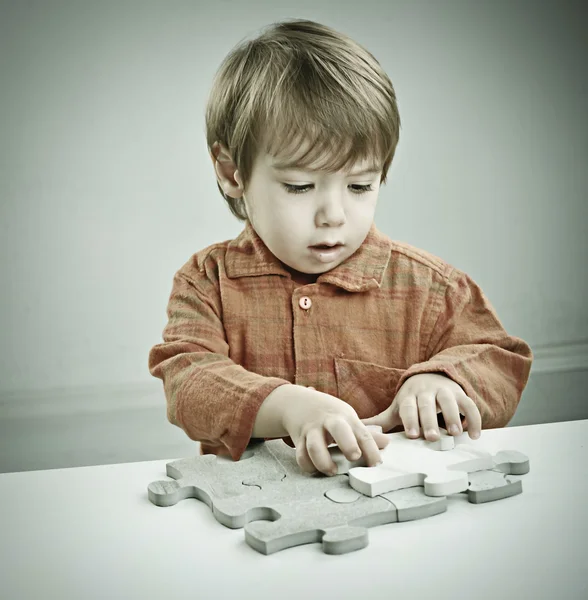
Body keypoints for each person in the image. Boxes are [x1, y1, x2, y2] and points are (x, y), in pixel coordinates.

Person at [148, 19, 533, 476]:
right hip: (256, 524)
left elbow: (499, 358)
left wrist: (441, 380)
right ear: (233, 174)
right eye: (299, 186)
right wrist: (286, 405)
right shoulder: (206, 281)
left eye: (360, 185)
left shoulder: (430, 288)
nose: (333, 214)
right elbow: (188, 379)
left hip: (400, 514)